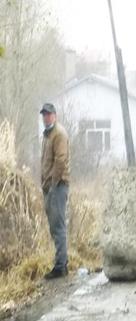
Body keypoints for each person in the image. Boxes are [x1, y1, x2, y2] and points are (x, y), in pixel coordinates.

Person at [40, 103, 70, 279]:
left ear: (55, 115)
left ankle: (61, 266)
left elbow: (60, 161)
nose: (46, 117)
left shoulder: (58, 134)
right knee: (55, 226)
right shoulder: (47, 134)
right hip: (50, 186)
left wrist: (51, 185)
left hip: (57, 186)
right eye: (44, 115)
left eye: (49, 114)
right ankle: (61, 263)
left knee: (58, 226)